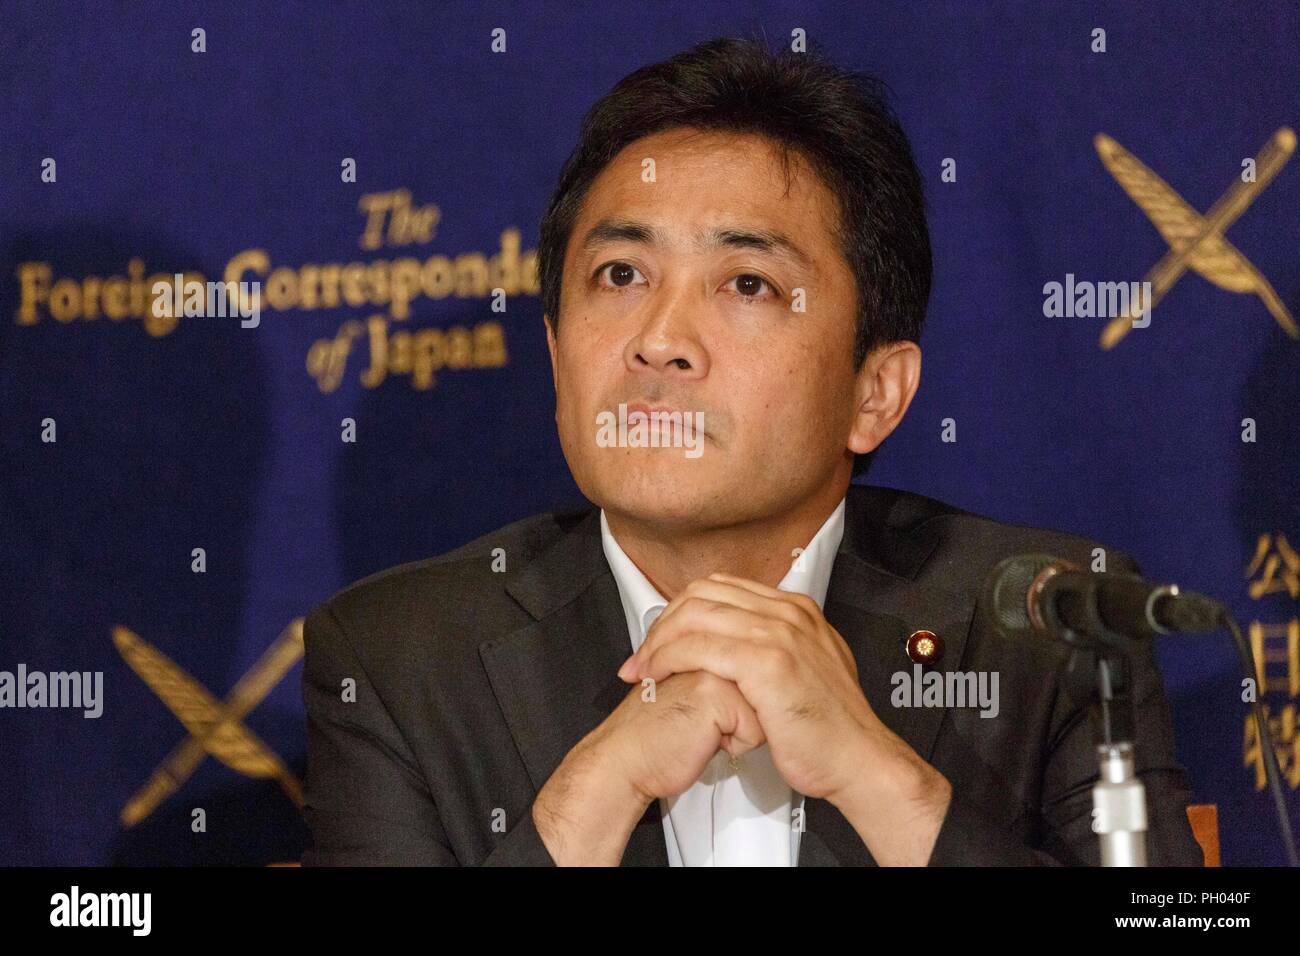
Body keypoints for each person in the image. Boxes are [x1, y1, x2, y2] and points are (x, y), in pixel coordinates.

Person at [300, 37, 1202, 866]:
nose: (659, 341)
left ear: (873, 392)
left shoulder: (1053, 626)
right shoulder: (401, 660)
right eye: (621, 275)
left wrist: (883, 782)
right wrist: (588, 799)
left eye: (747, 283)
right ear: (553, 351)